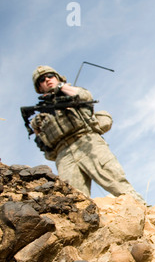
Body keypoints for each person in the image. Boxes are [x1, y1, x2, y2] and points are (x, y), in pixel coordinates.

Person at [29, 65, 146, 205]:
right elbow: (43, 144)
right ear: (39, 88)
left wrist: (61, 87)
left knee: (115, 181)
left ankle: (143, 211)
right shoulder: (40, 115)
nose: (47, 80)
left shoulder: (70, 92)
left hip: (87, 142)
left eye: (50, 76)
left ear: (58, 77)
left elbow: (86, 96)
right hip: (63, 155)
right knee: (74, 199)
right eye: (42, 79)